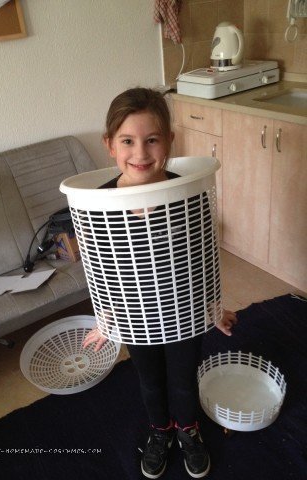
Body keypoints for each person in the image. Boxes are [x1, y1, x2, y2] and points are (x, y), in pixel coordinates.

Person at [82, 87, 237, 479]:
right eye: (128, 141)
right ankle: (160, 429)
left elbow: (203, 254)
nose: (141, 153)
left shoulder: (187, 192)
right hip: (135, 316)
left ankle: (188, 428)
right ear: (110, 146)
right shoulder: (100, 205)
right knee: (150, 381)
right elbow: (103, 268)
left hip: (183, 309)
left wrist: (213, 307)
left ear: (169, 141)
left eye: (152, 139)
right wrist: (105, 319)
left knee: (183, 380)